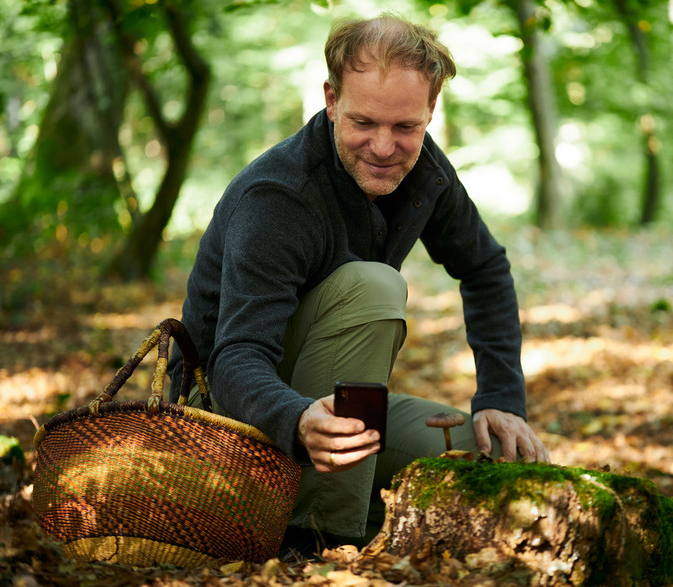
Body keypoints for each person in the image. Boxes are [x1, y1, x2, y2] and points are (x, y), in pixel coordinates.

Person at [167, 13, 549, 553]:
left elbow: (485, 268)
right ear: (331, 99)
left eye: (405, 128)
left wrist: (502, 397)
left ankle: (326, 509)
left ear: (430, 111)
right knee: (374, 287)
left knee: (491, 456)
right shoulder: (280, 196)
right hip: (230, 422)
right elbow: (235, 357)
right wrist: (298, 417)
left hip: (335, 412)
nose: (384, 146)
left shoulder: (423, 171)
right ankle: (316, 540)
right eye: (364, 123)